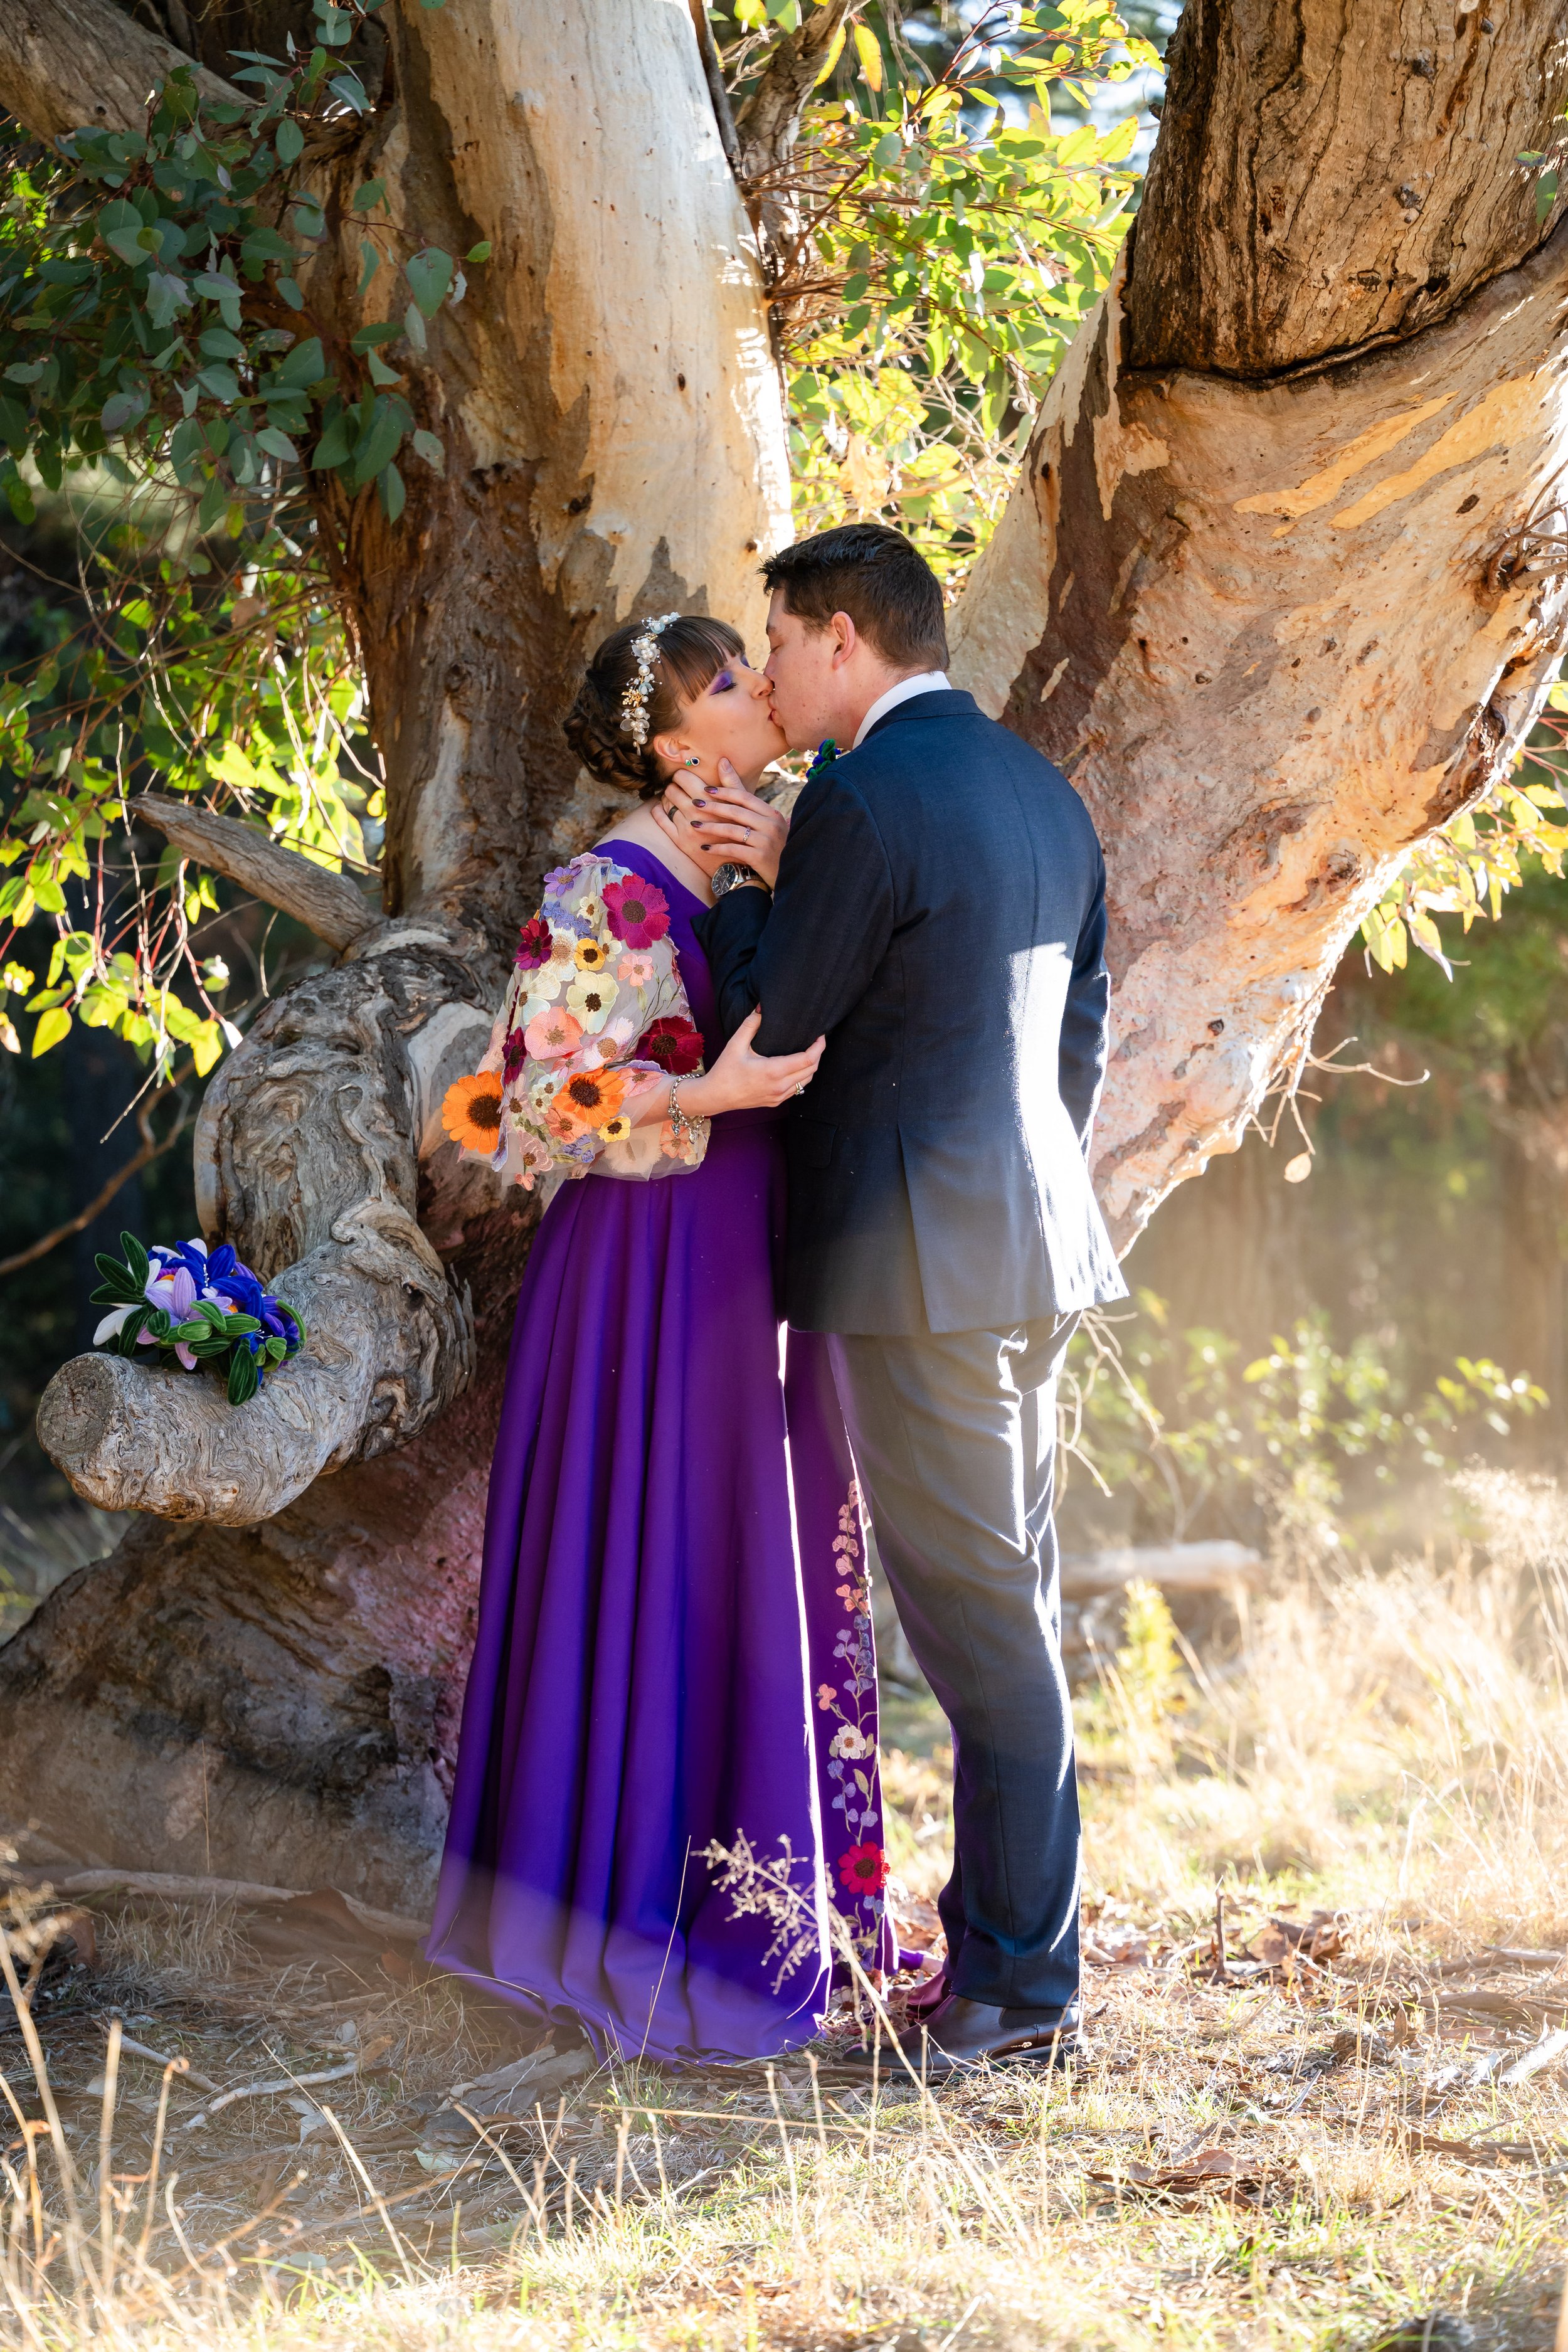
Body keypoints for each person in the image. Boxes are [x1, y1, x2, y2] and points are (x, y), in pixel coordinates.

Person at [677, 522, 1127, 2077]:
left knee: (979, 1622)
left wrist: (745, 882)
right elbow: (1080, 1040)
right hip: (1030, 1252)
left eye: (783, 641)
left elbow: (775, 1031)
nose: (777, 670)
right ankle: (1011, 1962)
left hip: (918, 1270)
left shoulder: (860, 798)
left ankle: (1017, 1993)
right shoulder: (1039, 789)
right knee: (1013, 1603)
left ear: (845, 641)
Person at [425, 613, 896, 2064]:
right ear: (678, 745)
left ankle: (769, 1912)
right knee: (654, 1562)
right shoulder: (608, 890)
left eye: (759, 669)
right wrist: (709, 1097)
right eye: (733, 682)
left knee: (746, 1561)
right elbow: (513, 1112)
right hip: (643, 1275)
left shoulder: (768, 852)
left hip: (748, 1268)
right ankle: (619, 1916)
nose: (767, 688)